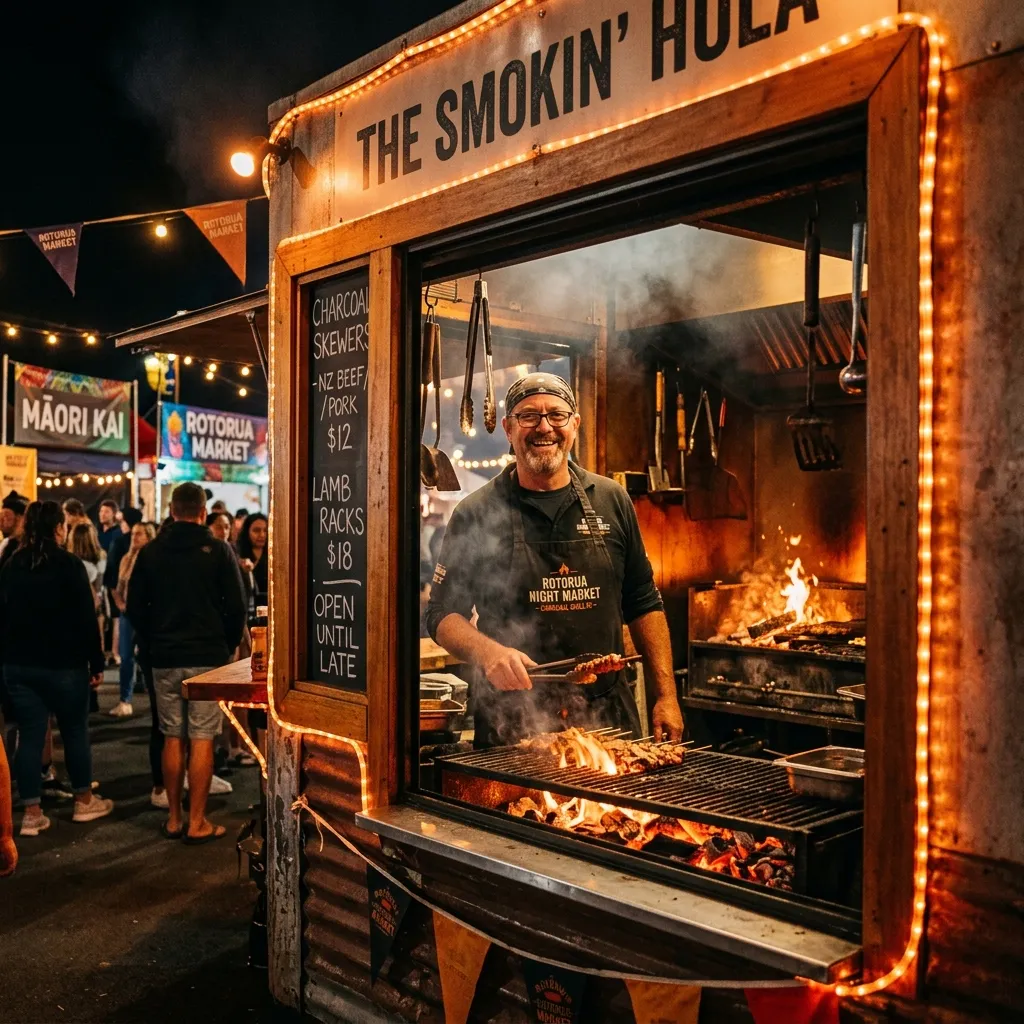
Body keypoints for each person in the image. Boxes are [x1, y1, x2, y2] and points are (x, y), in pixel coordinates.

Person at [425, 373, 685, 749]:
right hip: (512, 723)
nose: (544, 427)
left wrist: (667, 695)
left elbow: (643, 602)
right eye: (529, 416)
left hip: (606, 721)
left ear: (574, 425)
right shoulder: (476, 512)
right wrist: (489, 653)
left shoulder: (612, 500)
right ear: (508, 428)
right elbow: (441, 614)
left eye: (556, 415)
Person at [127, 482, 246, 843]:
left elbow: (135, 608)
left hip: (164, 656)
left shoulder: (151, 552)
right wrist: (225, 647)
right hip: (207, 657)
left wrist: (151, 644)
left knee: (172, 735)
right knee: (202, 736)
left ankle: (174, 818)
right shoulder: (219, 551)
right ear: (203, 512)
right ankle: (197, 821)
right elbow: (236, 607)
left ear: (172, 511)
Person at [0, 500, 113, 836]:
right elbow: (86, 618)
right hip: (65, 665)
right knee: (75, 732)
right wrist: (96, 661)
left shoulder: (12, 565)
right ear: (58, 528)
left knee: (30, 735)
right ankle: (83, 801)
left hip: (19, 665)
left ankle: (31, 812)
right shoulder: (69, 565)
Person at [109, 521, 156, 718]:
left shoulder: (154, 560)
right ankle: (125, 700)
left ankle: (154, 700)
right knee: (126, 656)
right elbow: (117, 586)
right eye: (133, 533)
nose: (134, 537)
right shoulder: (126, 559)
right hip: (128, 613)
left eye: (139, 534)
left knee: (149, 657)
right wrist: (120, 603)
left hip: (148, 614)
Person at [237, 512, 268, 615]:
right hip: (246, 610)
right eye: (256, 530)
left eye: (265, 530)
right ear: (247, 532)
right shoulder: (238, 554)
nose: (262, 535)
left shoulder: (274, 555)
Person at [0, 492, 29, 570]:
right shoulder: (5, 545)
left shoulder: (33, 546)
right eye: (1, 516)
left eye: (6, 516)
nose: (1, 521)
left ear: (21, 518)